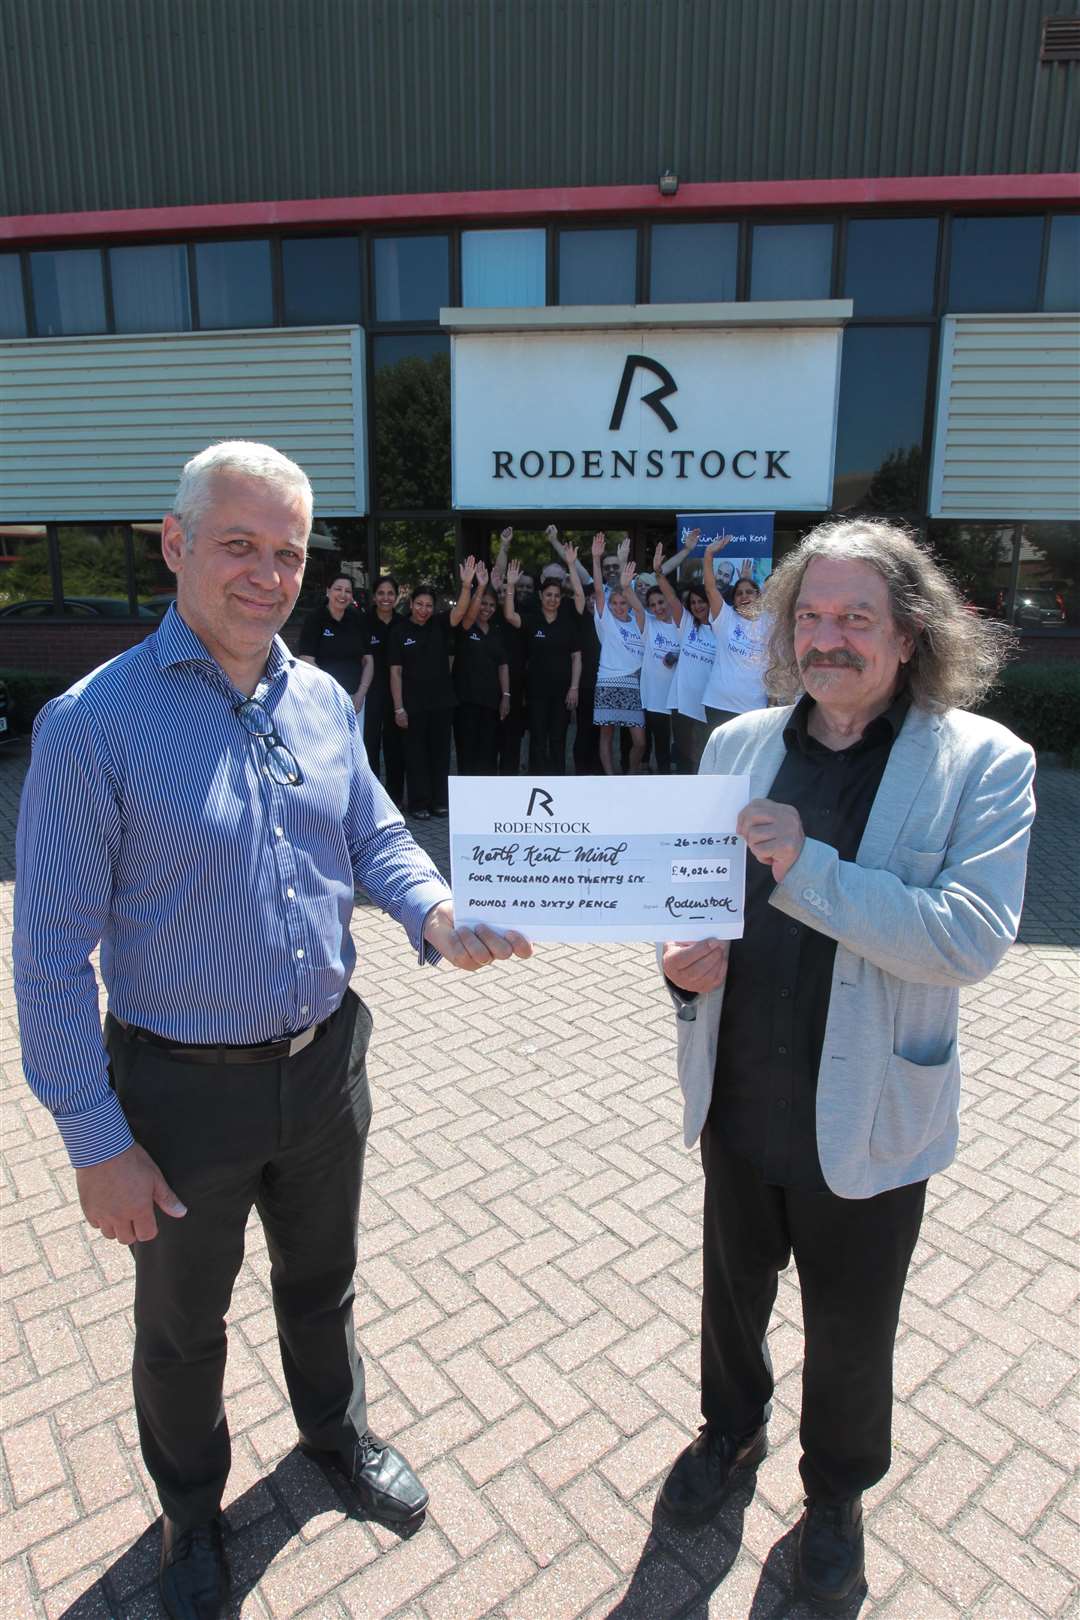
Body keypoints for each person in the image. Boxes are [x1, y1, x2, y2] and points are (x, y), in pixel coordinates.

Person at [12, 442, 533, 1620]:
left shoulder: (317, 695)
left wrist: (438, 914)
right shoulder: (91, 726)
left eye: (288, 552)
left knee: (324, 1279)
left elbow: (376, 835)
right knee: (185, 1325)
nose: (266, 573)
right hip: (178, 1092)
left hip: (326, 1063)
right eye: (239, 544)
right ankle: (193, 1514)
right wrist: (95, 1139)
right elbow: (46, 957)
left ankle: (334, 1439)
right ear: (176, 544)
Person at [654, 519, 1034, 1611]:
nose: (828, 639)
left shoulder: (982, 764)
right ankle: (729, 1432)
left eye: (856, 618)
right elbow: (693, 913)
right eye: (810, 617)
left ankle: (836, 1497)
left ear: (909, 635)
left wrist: (806, 868)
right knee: (730, 1300)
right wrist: (682, 976)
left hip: (868, 1108)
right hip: (739, 1092)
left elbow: (968, 937)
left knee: (853, 1325)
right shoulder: (739, 746)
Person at [388, 567, 473, 819]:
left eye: (428, 605)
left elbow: (459, 612)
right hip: (412, 706)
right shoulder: (399, 631)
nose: (424, 609)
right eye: (419, 604)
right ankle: (418, 803)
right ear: (411, 604)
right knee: (416, 755)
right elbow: (395, 673)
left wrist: (467, 585)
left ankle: (439, 801)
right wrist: (398, 707)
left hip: (441, 703)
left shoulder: (439, 624)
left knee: (440, 754)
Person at [504, 552, 584, 775]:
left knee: (558, 739)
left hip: (563, 693)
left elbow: (576, 657)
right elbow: (510, 615)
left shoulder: (568, 622)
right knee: (538, 738)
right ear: (541, 596)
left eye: (557, 596)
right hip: (537, 692)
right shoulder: (532, 619)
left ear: (561, 598)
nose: (552, 599)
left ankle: (557, 783)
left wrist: (574, 688)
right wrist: (510, 585)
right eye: (548, 595)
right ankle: (537, 780)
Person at [652, 543, 715, 773]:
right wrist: (659, 573)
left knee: (704, 755)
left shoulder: (721, 629)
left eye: (701, 601)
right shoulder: (687, 623)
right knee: (684, 755)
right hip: (681, 701)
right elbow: (669, 596)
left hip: (707, 702)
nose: (697, 606)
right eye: (694, 602)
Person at [699, 536, 770, 732]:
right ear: (734, 599)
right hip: (719, 703)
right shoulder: (726, 618)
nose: (745, 596)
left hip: (753, 708)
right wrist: (708, 555)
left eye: (750, 592)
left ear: (759, 596)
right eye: (739, 593)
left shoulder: (769, 622)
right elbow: (710, 588)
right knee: (719, 760)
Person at [589, 532, 646, 775]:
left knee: (640, 741)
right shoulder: (605, 621)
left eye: (623, 603)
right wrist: (595, 557)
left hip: (633, 684)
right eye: (615, 604)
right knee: (606, 736)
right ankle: (611, 778)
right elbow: (600, 592)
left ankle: (631, 775)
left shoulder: (639, 619)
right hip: (608, 681)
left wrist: (624, 567)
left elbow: (630, 593)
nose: (619, 607)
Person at [453, 560, 511, 774]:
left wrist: (506, 695)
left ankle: (487, 797)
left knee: (489, 749)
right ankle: (467, 798)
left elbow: (503, 665)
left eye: (491, 605)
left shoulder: (496, 631)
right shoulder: (466, 626)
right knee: (468, 749)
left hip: (491, 701)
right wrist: (480, 587)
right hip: (466, 700)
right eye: (483, 604)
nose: (486, 608)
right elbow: (469, 615)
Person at [358, 573, 405, 807]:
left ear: (397, 597)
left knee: (396, 747)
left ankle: (395, 798)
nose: (386, 598)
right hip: (372, 694)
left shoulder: (403, 623)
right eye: (381, 593)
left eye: (390, 593)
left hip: (397, 696)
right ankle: (371, 801)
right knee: (370, 745)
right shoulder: (363, 623)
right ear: (375, 597)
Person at [639, 545, 684, 774]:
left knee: (684, 745)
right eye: (653, 605)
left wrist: (676, 655)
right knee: (661, 745)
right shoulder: (648, 624)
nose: (657, 607)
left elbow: (691, 652)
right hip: (656, 696)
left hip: (680, 696)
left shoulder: (681, 622)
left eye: (661, 602)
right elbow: (632, 601)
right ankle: (662, 782)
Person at [297, 573, 368, 707]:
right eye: (338, 589)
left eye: (347, 591)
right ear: (328, 591)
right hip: (322, 696)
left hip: (354, 698)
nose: (343, 594)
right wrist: (331, 689)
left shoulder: (357, 619)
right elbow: (306, 659)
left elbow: (368, 660)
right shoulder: (315, 619)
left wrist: (361, 693)